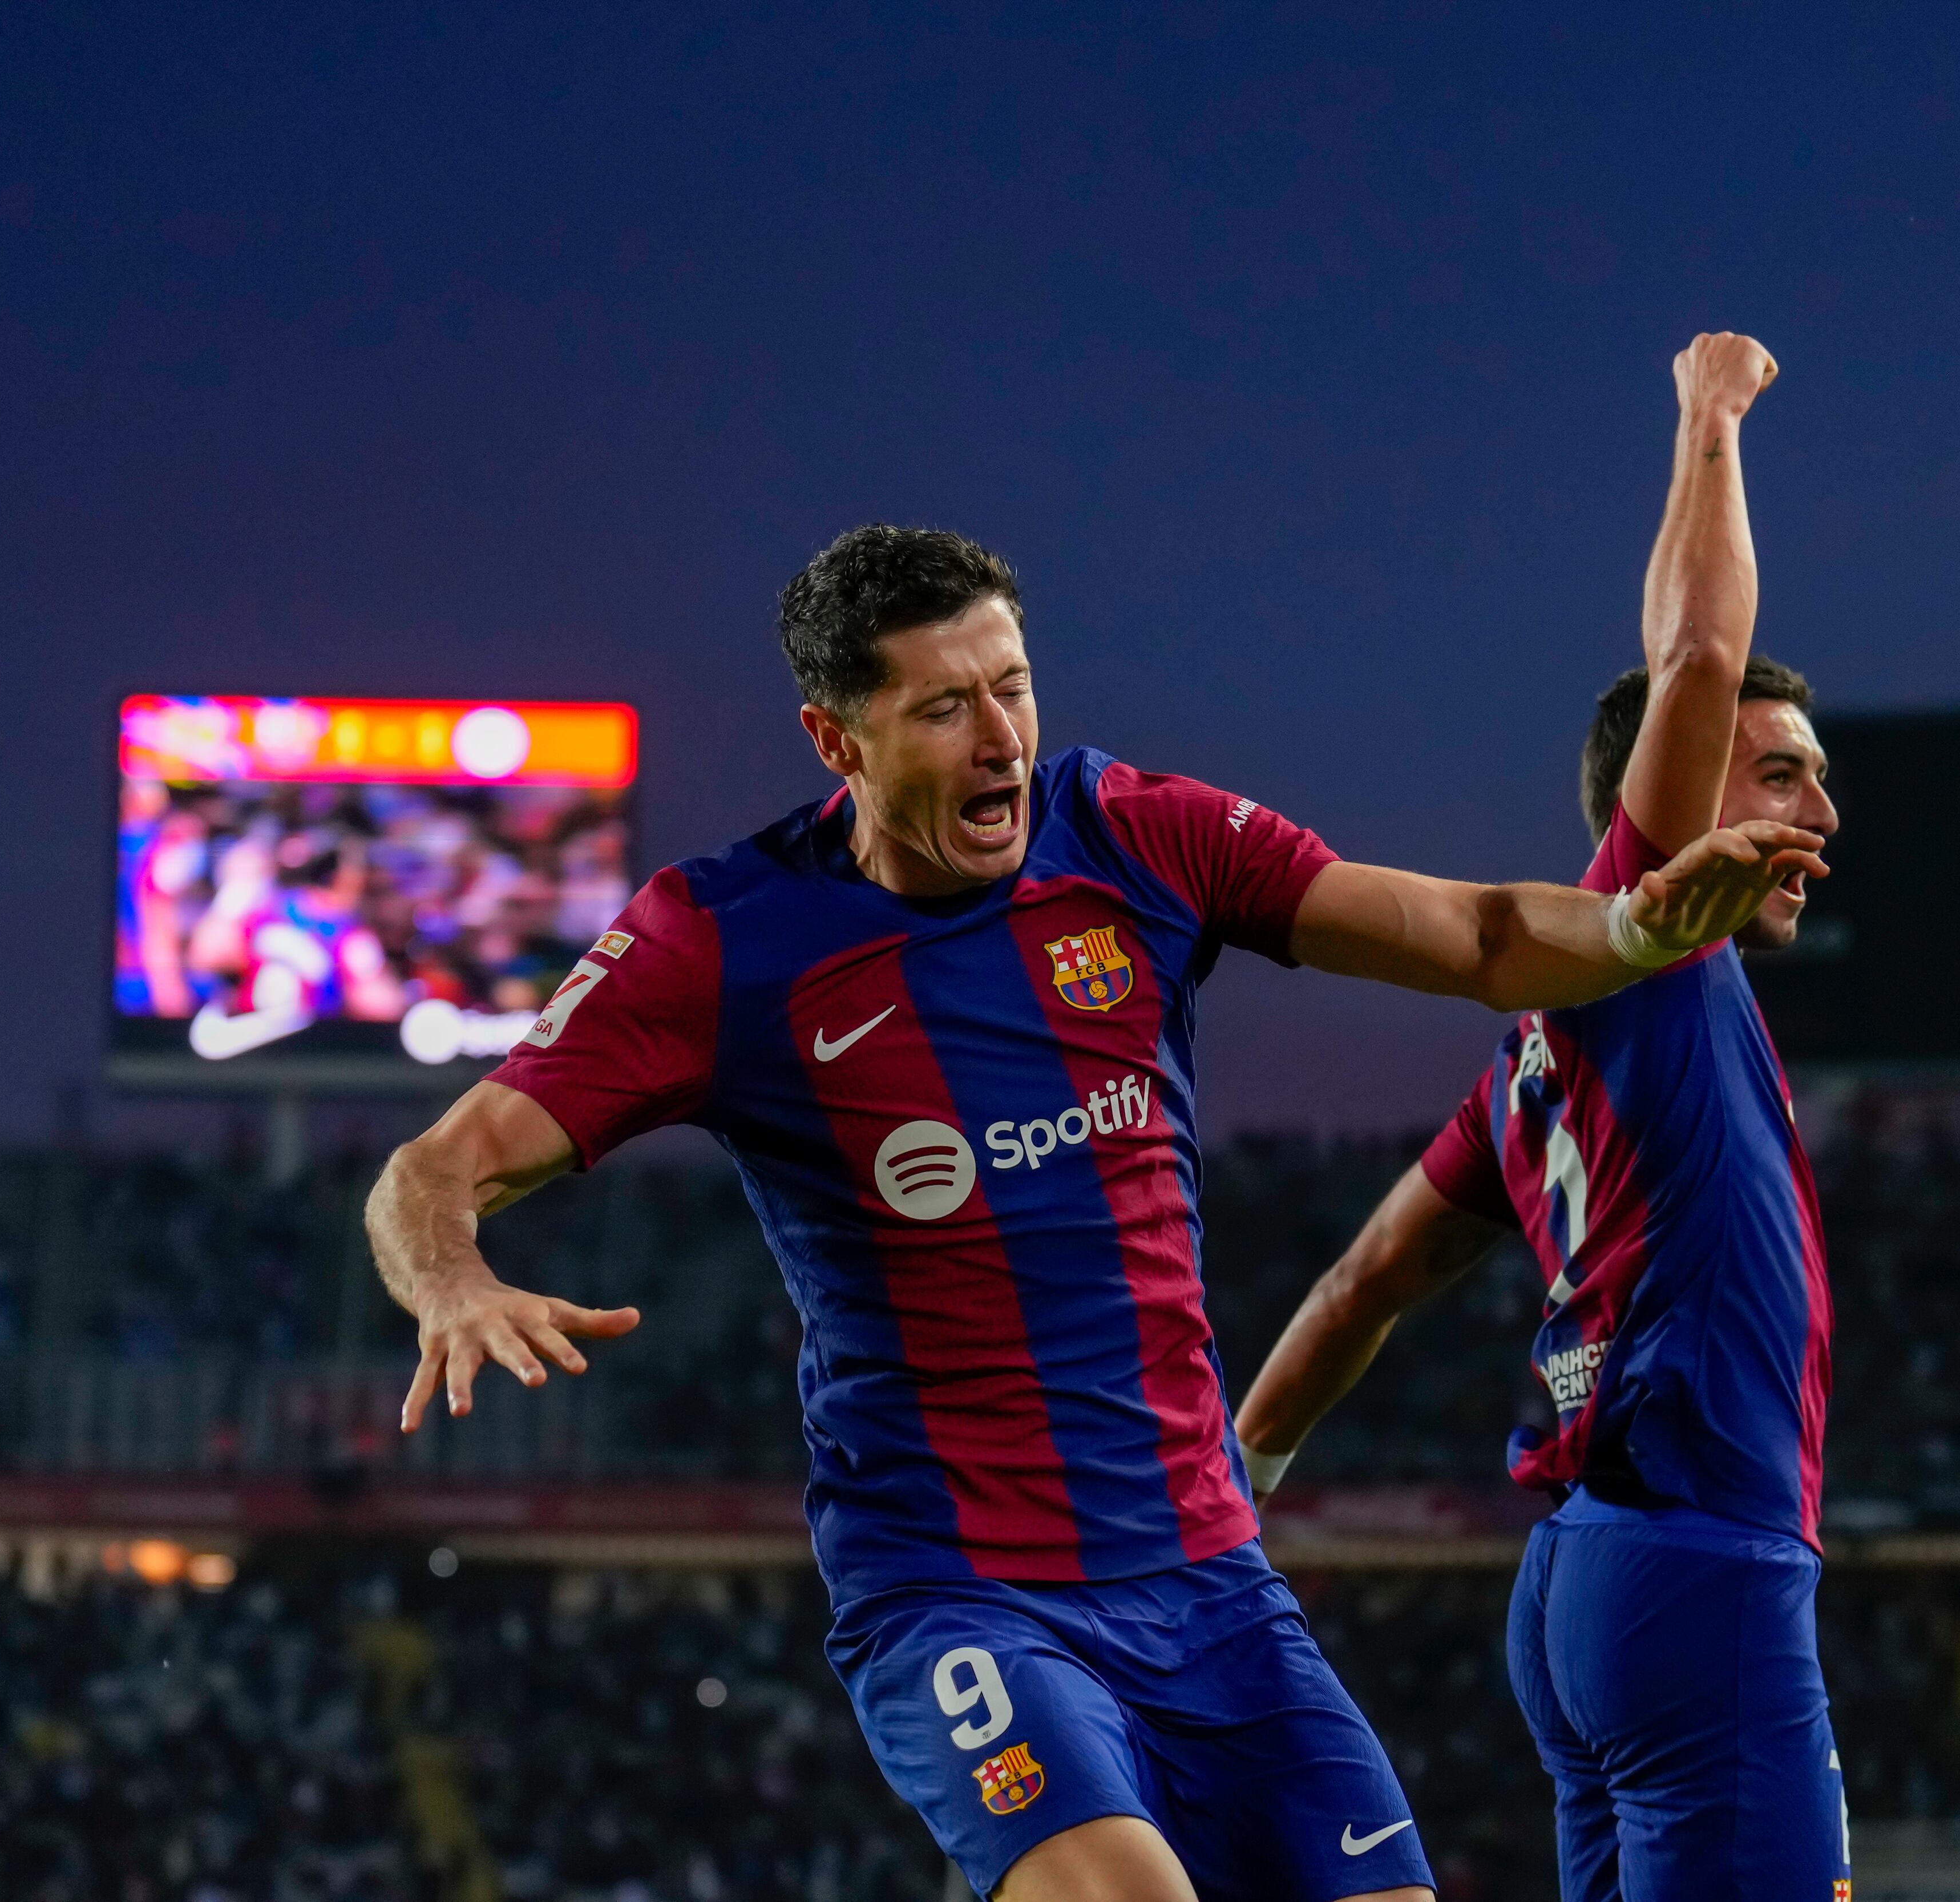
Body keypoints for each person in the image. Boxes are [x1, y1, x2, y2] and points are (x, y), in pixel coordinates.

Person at [362, 522, 1820, 1902]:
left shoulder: (1132, 834)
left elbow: (1480, 932)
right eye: (942, 708)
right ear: (836, 738)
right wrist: (450, 1278)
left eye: (1012, 687)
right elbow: (437, 1165)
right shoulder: (722, 940)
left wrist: (1635, 928)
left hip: (1207, 1579)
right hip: (963, 1591)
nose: (1001, 738)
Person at [1234, 334, 1850, 1902]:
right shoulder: (1645, 954)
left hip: (1585, 1580)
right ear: (1679, 798)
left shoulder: (1535, 1057)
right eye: (1780, 776)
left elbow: (1362, 1278)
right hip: (1697, 1567)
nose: (1821, 812)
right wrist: (1710, 413)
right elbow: (1700, 661)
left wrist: (1235, 1485)